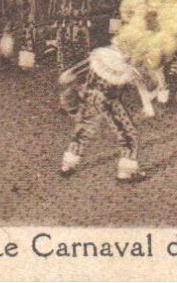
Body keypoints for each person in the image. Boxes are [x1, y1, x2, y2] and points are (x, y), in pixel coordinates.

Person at [59, 45, 154, 183]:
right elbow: (141, 83)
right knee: (128, 134)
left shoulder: (103, 54)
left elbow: (83, 65)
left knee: (83, 130)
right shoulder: (130, 65)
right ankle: (126, 173)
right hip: (109, 101)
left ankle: (67, 165)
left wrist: (70, 72)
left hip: (89, 95)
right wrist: (147, 105)